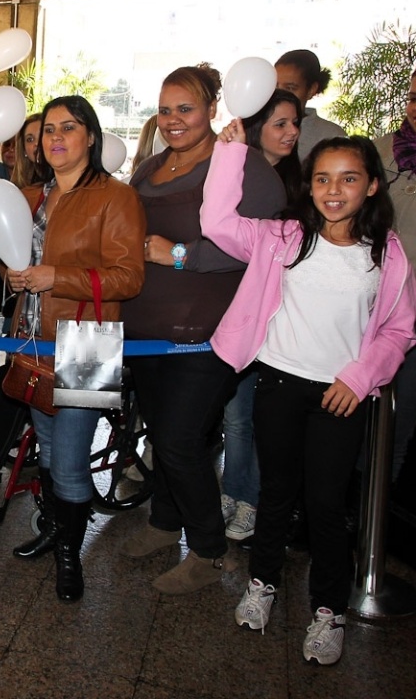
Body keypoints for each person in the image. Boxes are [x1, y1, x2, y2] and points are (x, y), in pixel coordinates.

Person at [202, 130, 416, 665]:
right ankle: (263, 584)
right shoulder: (285, 238)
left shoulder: (385, 253)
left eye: (348, 178)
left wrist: (360, 377)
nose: (333, 189)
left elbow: (399, 330)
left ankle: (328, 611)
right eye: (322, 178)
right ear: (309, 185)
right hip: (278, 382)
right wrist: (229, 154)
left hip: (340, 395)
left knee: (324, 504)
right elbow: (217, 225)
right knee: (276, 493)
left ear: (370, 185)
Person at [119, 64, 286, 594]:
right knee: (163, 433)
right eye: (165, 109)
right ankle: (166, 524)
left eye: (185, 109)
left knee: (180, 440)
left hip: (208, 333)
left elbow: (263, 246)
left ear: (212, 109)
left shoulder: (244, 167)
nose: (172, 120)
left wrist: (182, 255)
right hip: (145, 329)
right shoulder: (148, 169)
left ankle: (211, 551)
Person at [4, 96, 146, 601]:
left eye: (68, 127)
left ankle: (71, 553)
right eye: (48, 130)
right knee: (47, 443)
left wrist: (55, 277)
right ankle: (54, 529)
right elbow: (14, 258)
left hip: (89, 340)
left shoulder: (115, 196)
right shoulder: (31, 196)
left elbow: (129, 277)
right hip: (33, 335)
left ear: (91, 135)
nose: (56, 137)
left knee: (68, 459)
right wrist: (15, 276)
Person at [220, 89, 303, 542]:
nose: (291, 133)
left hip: (273, 318)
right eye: (280, 124)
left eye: (295, 124)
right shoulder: (232, 175)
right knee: (234, 416)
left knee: (254, 418)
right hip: (230, 313)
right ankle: (232, 492)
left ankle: (249, 500)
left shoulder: (300, 187)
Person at [376, 70, 416, 480]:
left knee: (402, 417)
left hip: (412, 315)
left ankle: (381, 504)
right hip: (372, 304)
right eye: (413, 97)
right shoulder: (382, 151)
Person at [275, 49, 346, 162]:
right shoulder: (255, 127)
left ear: (311, 90)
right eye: (275, 86)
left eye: (290, 88)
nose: (280, 93)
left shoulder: (331, 136)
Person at [11, 114, 45, 190]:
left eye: (41, 136)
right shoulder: (18, 189)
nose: (37, 143)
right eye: (30, 139)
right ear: (24, 149)